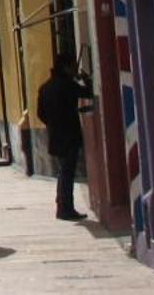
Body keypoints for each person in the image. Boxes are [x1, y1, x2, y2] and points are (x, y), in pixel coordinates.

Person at [37, 52, 93, 221]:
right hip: (69, 134)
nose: (75, 68)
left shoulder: (45, 88)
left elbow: (41, 114)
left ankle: (62, 205)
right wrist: (84, 78)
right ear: (66, 67)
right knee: (67, 173)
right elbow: (88, 93)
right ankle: (65, 209)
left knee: (63, 172)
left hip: (55, 135)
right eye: (73, 66)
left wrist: (53, 124)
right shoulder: (67, 85)